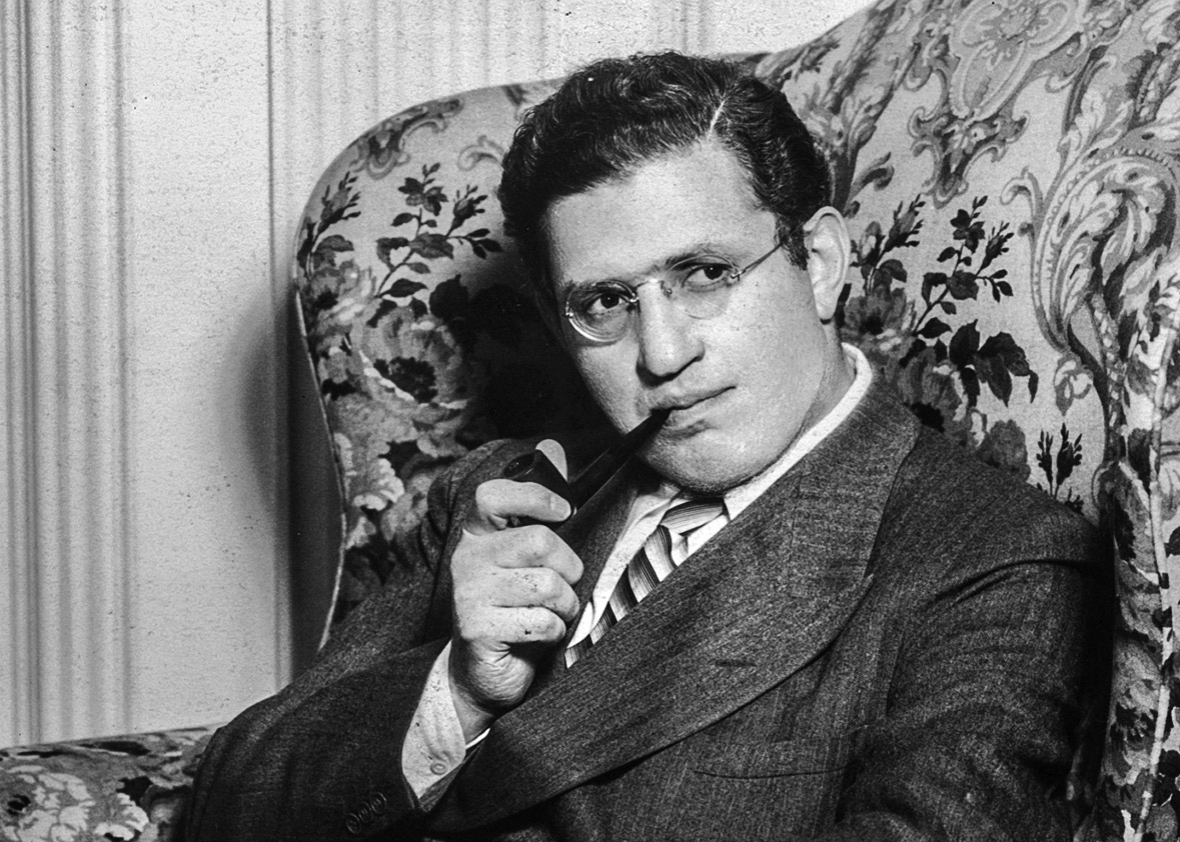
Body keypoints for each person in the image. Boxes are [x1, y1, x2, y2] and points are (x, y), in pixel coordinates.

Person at [186, 52, 1104, 841]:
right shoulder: (507, 494)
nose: (662, 354)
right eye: (605, 302)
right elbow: (225, 805)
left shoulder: (992, 559)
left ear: (820, 265)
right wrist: (456, 692)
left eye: (704, 274)